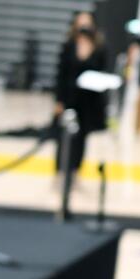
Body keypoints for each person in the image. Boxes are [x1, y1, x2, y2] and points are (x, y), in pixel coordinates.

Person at [53, 10, 109, 191]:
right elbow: (61, 74)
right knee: (63, 138)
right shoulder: (69, 45)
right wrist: (59, 101)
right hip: (70, 98)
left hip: (89, 101)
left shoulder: (99, 47)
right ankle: (60, 174)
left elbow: (101, 71)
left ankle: (76, 173)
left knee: (82, 139)